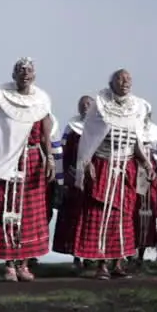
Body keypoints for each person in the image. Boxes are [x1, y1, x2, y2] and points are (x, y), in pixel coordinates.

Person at [72, 69, 153, 279]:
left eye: (128, 79)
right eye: (120, 78)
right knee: (101, 216)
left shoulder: (137, 107)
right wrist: (86, 162)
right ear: (112, 82)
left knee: (123, 217)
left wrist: (145, 161)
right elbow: (89, 138)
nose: (125, 82)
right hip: (103, 165)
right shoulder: (99, 105)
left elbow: (136, 139)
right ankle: (101, 265)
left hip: (126, 167)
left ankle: (118, 263)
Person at [0, 58, 54, 281]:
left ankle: (24, 264)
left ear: (34, 75)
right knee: (6, 210)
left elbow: (44, 133)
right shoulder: (1, 96)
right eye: (20, 71)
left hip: (32, 159)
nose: (25, 74)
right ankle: (9, 264)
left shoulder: (41, 100)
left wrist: (49, 157)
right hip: (6, 159)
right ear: (13, 74)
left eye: (29, 71)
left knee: (29, 214)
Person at [52, 95, 93, 269]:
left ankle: (90, 254)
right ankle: (76, 255)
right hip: (73, 177)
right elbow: (63, 150)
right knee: (73, 219)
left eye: (88, 104)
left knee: (90, 217)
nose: (85, 107)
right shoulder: (72, 127)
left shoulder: (98, 126)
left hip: (92, 179)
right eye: (82, 105)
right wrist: (65, 177)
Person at [131, 111, 157, 268]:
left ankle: (141, 255)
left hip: (150, 176)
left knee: (148, 215)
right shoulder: (131, 129)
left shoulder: (156, 132)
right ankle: (128, 253)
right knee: (131, 214)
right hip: (133, 172)